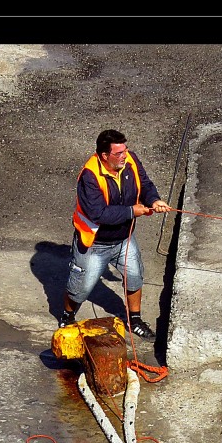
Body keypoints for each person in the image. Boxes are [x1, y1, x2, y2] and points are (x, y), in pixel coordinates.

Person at [60, 129, 170, 338]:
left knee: (135, 277)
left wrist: (154, 200)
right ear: (104, 156)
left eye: (125, 150)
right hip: (94, 243)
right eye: (118, 153)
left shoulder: (130, 160)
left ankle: (134, 320)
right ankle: (67, 316)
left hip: (124, 240)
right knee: (80, 288)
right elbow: (97, 213)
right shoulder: (89, 176)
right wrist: (132, 211)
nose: (124, 156)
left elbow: (145, 184)